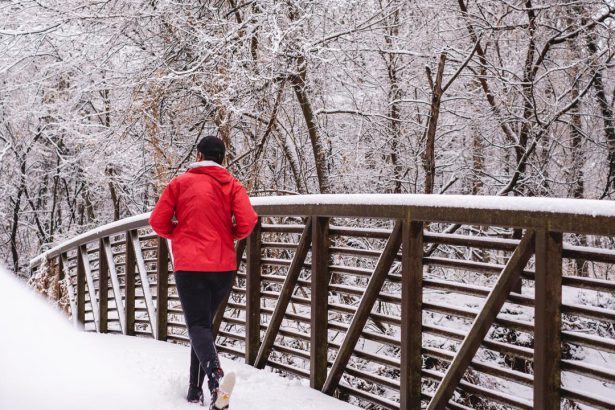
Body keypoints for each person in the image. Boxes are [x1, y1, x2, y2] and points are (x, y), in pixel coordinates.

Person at [149, 136, 257, 408]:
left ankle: (215, 380)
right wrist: (228, 235)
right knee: (203, 328)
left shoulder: (180, 183)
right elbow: (247, 222)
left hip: (190, 266)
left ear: (198, 155)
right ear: (222, 158)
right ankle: (194, 391)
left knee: (197, 326)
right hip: (222, 268)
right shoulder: (232, 185)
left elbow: (157, 222)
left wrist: (179, 234)